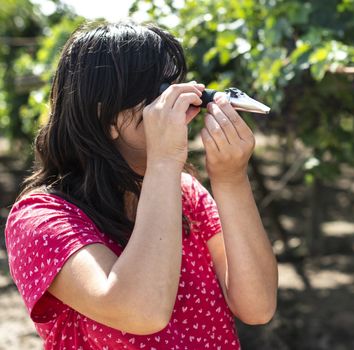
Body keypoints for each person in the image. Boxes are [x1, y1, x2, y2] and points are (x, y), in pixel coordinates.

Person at [4, 21, 278, 350]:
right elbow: (141, 311)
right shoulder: (40, 219)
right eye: (160, 91)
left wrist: (231, 180)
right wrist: (164, 160)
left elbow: (258, 306)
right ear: (106, 118)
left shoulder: (187, 193)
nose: (183, 103)